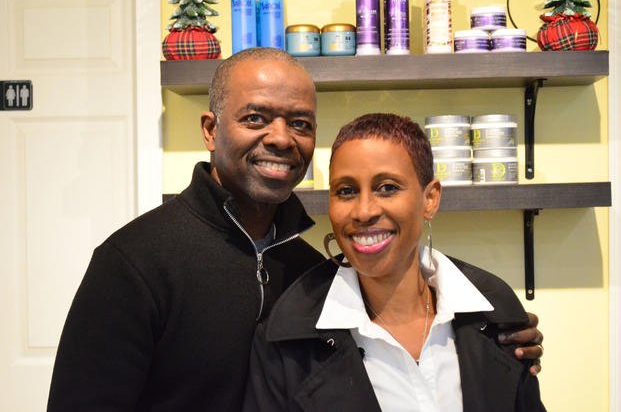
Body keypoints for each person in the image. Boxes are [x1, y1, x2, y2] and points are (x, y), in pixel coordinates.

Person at [48, 49, 542, 411]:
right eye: (256, 118)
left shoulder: (312, 275)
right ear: (210, 129)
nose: (281, 138)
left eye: (300, 123)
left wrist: (496, 340)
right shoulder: (134, 262)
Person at [244, 113, 546, 411]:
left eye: (387, 187)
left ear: (430, 199)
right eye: (346, 191)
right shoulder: (284, 339)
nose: (364, 211)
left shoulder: (495, 312)